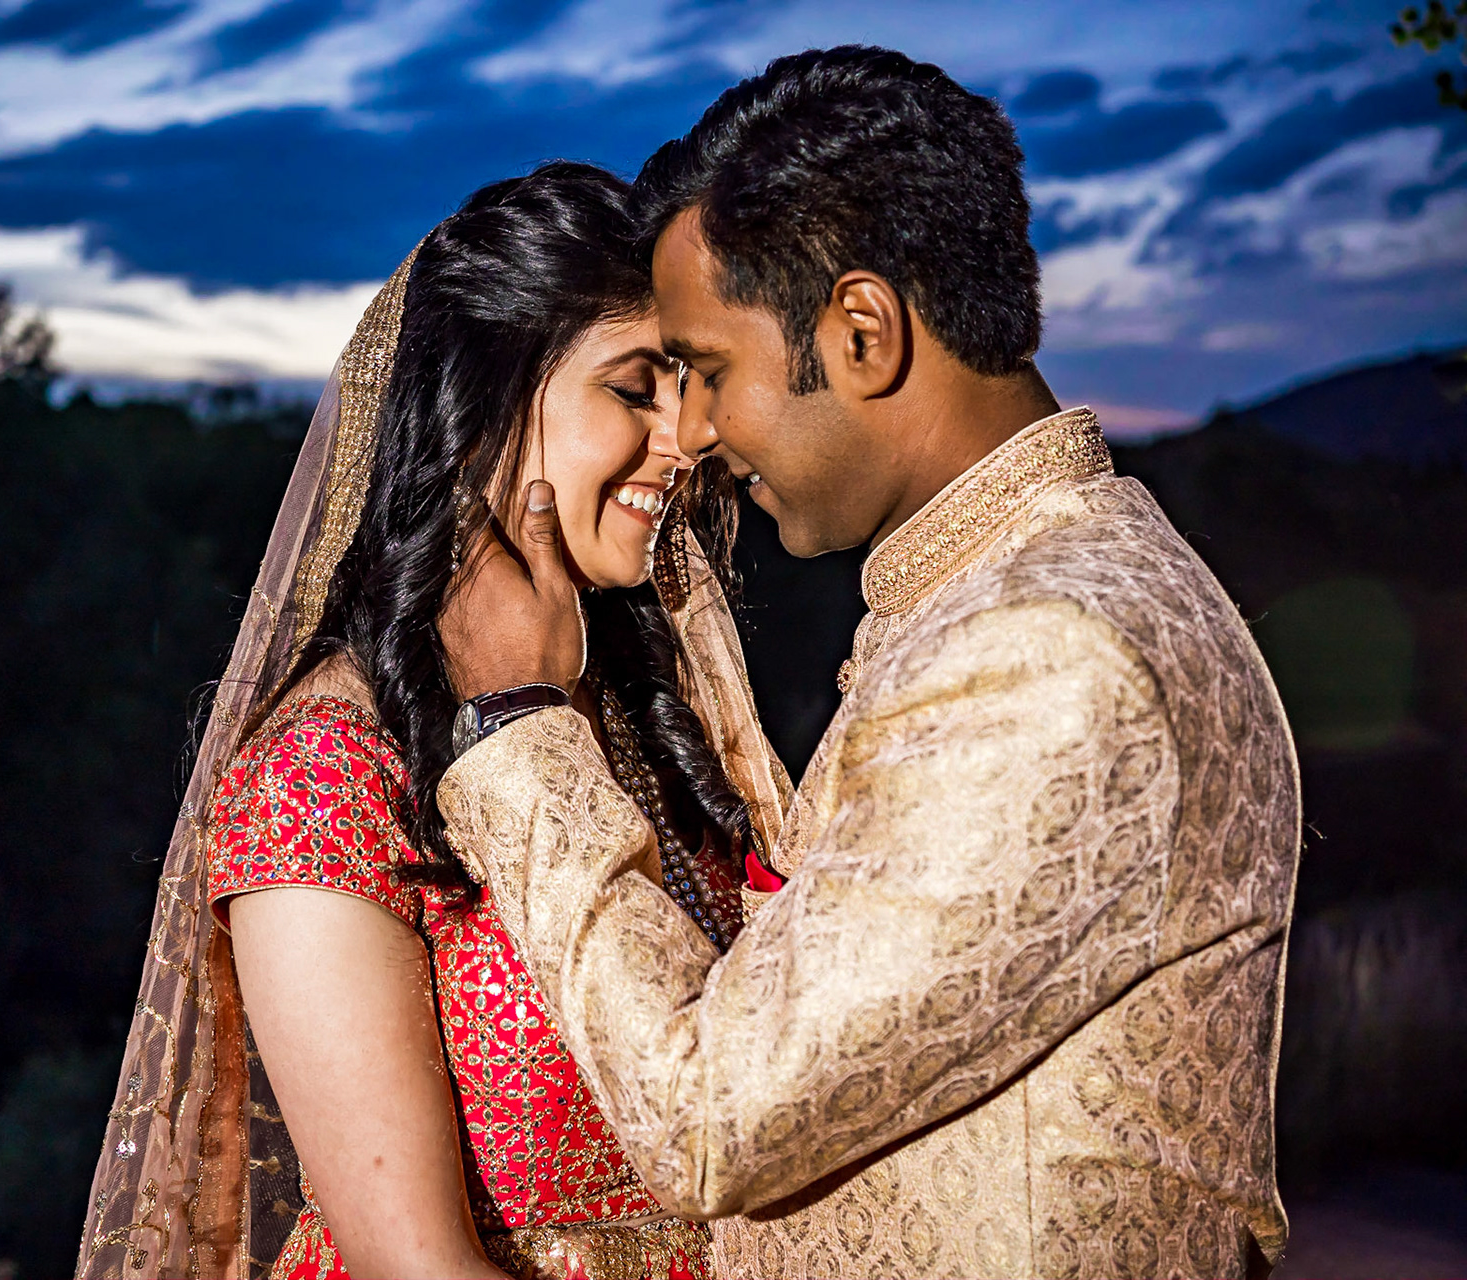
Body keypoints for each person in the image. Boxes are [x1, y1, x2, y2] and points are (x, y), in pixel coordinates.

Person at [435, 47, 1301, 1280]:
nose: (693, 433)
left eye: (711, 370)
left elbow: (708, 1114)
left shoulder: (1046, 652)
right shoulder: (1016, 593)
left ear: (861, 331)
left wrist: (515, 725)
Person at [76, 162, 792, 1280]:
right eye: (634, 389)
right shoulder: (323, 773)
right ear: (484, 410)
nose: (689, 436)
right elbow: (419, 1264)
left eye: (692, 386)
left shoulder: (649, 713)